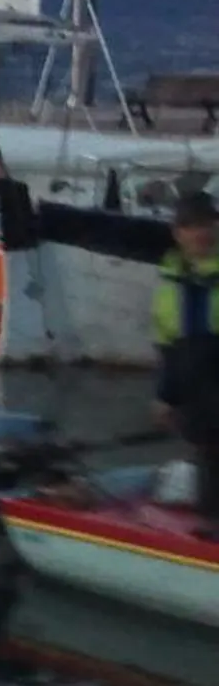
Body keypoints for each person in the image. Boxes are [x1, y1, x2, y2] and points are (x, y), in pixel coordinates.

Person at [155, 189, 219, 518]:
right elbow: (168, 344)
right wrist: (165, 396)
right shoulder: (171, 279)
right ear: (177, 233)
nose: (201, 233)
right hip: (197, 395)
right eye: (192, 226)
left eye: (207, 224)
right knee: (207, 460)